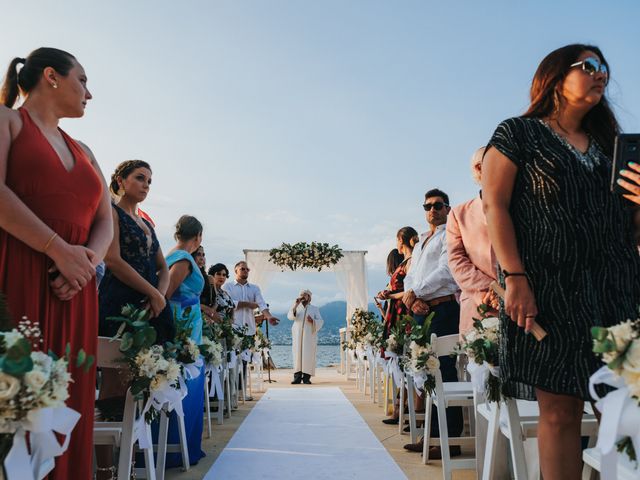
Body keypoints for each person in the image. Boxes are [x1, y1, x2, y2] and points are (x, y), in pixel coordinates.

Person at [482, 44, 640, 479]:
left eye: (604, 67)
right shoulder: (518, 134)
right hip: (550, 290)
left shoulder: (613, 147)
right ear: (554, 77)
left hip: (618, 291)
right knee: (559, 413)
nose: (600, 74)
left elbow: (631, 228)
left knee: (625, 408)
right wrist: (514, 277)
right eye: (588, 66)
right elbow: (495, 206)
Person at [0, 48, 113, 480]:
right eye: (82, 80)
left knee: (70, 400)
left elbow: (104, 220)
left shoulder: (84, 149)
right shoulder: (7, 122)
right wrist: (56, 249)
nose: (89, 92)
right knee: (17, 406)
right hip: (18, 277)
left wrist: (86, 262)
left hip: (76, 290)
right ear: (51, 76)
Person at [96, 160, 174, 479]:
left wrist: (159, 296)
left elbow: (164, 268)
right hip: (119, 303)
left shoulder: (147, 224)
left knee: (139, 383)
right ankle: (104, 469)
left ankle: (127, 463)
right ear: (121, 180)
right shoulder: (111, 213)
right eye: (139, 178)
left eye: (149, 181)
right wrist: (153, 294)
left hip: (149, 307)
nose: (145, 185)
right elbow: (111, 259)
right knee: (113, 383)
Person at [401, 188, 462, 457]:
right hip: (420, 310)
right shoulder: (421, 240)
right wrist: (412, 298)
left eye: (438, 205)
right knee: (425, 372)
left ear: (448, 208)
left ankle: (450, 441)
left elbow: (447, 271)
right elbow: (410, 277)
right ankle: (431, 436)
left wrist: (418, 292)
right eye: (427, 206)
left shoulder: (451, 233)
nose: (432, 210)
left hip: (443, 309)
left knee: (444, 371)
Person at [164, 215, 206, 467]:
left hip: (188, 326)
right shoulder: (182, 259)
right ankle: (176, 451)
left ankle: (183, 447)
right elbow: (167, 293)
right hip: (184, 330)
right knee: (186, 386)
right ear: (198, 236)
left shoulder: (171, 254)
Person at [446, 148, 498, 337]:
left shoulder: (521, 208)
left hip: (518, 307)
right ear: (479, 168)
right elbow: (456, 261)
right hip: (477, 310)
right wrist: (494, 290)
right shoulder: (459, 214)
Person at [378, 227, 418, 425]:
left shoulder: (411, 262)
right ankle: (400, 409)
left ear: (403, 240)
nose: (396, 243)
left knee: (403, 362)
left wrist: (390, 295)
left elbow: (410, 290)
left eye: (397, 239)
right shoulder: (403, 263)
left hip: (403, 314)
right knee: (397, 363)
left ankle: (407, 411)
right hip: (395, 313)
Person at [223, 260, 279, 334]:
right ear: (236, 271)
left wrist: (269, 317)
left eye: (247, 269)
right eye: (242, 269)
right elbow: (228, 303)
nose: (246, 271)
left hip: (249, 330)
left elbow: (261, 303)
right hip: (233, 329)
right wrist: (247, 304)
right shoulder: (228, 286)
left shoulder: (255, 288)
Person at [288, 290, 324, 384]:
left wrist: (313, 321)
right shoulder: (296, 307)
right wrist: (295, 305)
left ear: (309, 297)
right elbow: (290, 317)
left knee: (307, 356)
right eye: (301, 295)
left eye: (305, 295)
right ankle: (297, 378)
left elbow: (320, 321)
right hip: (297, 335)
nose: (303, 296)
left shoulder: (314, 309)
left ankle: (306, 378)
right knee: (297, 355)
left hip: (309, 337)